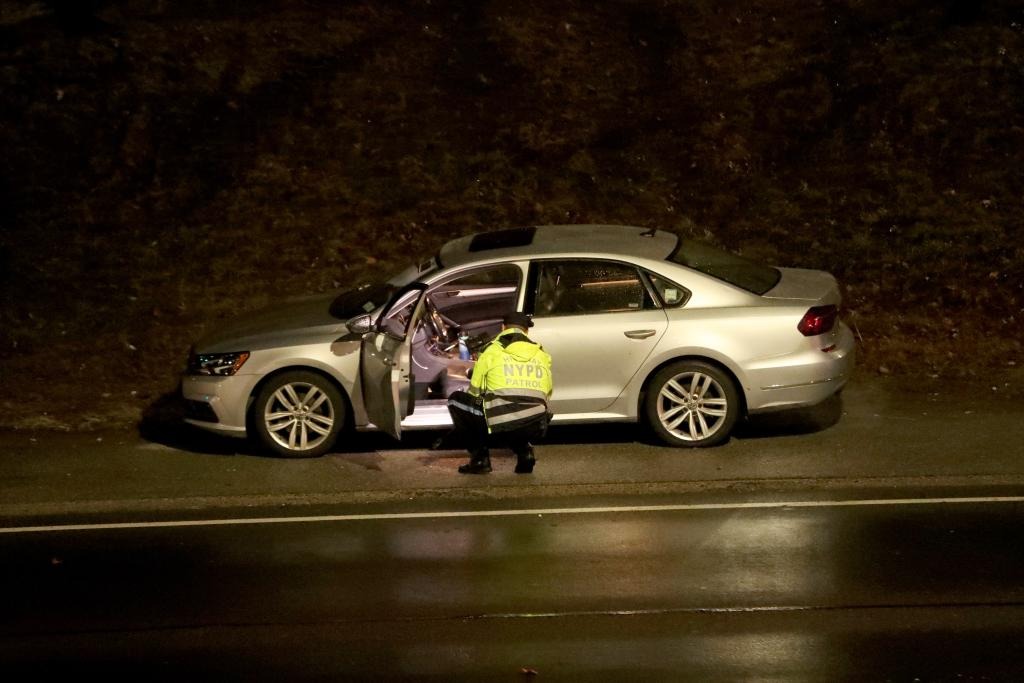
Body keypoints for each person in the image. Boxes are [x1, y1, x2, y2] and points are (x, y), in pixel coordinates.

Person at [447, 312, 553, 474]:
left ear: (503, 328)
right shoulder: (542, 354)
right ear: (526, 331)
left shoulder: (491, 350)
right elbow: (548, 392)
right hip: (536, 425)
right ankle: (525, 453)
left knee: (456, 400)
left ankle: (480, 459)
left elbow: (476, 391)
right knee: (520, 410)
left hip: (500, 425)